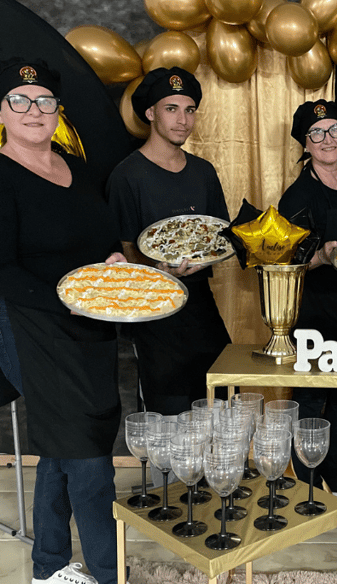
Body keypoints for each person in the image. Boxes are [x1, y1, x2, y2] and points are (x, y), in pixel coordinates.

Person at [0, 58, 125, 584]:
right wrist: (65, 300)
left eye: (44, 100)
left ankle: (49, 567)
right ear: (0, 112)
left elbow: (100, 241)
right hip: (30, 328)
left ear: (58, 110)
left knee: (62, 446)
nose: (33, 109)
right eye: (19, 100)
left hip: (90, 325)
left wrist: (112, 261)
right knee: (86, 457)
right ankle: (109, 574)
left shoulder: (77, 170)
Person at [107, 67, 231, 416]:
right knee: (169, 413)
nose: (183, 120)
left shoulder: (203, 172)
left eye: (190, 110)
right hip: (154, 310)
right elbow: (122, 248)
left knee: (220, 399)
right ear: (150, 113)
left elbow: (220, 235)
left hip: (201, 305)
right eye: (171, 109)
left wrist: (216, 255)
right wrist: (157, 268)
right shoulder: (127, 176)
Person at [278, 99, 337, 501]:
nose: (328, 139)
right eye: (316, 133)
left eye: (335, 129)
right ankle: (306, 484)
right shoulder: (297, 196)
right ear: (305, 143)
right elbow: (282, 263)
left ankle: (331, 473)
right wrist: (320, 256)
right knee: (311, 397)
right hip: (316, 311)